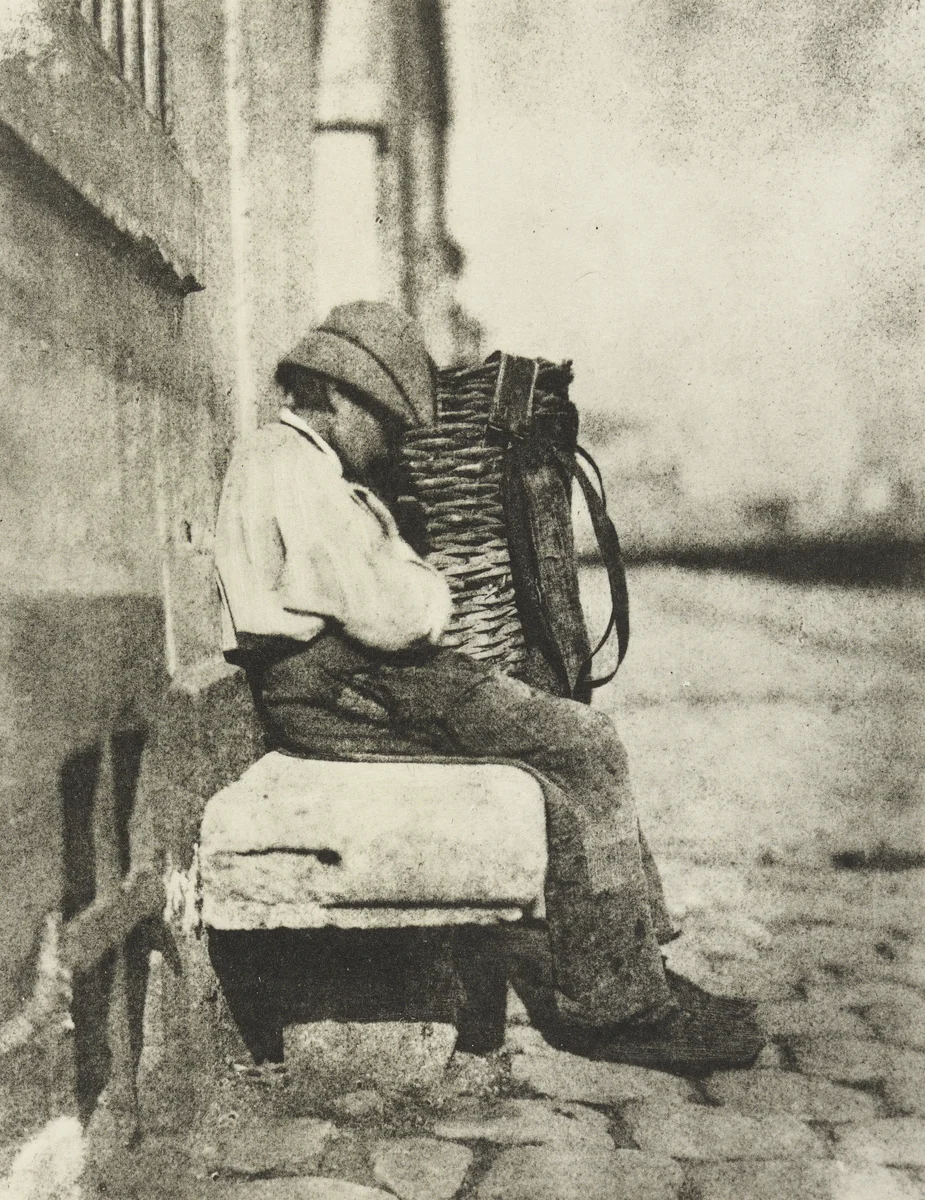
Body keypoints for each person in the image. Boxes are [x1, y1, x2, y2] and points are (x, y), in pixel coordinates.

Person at [214, 300, 764, 1074]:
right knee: (579, 741)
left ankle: (630, 972)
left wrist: (405, 576)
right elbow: (395, 618)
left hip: (360, 682)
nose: (396, 443)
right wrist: (427, 587)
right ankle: (617, 1007)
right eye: (387, 422)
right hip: (349, 687)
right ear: (334, 394)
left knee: (566, 742)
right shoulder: (292, 468)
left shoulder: (299, 464)